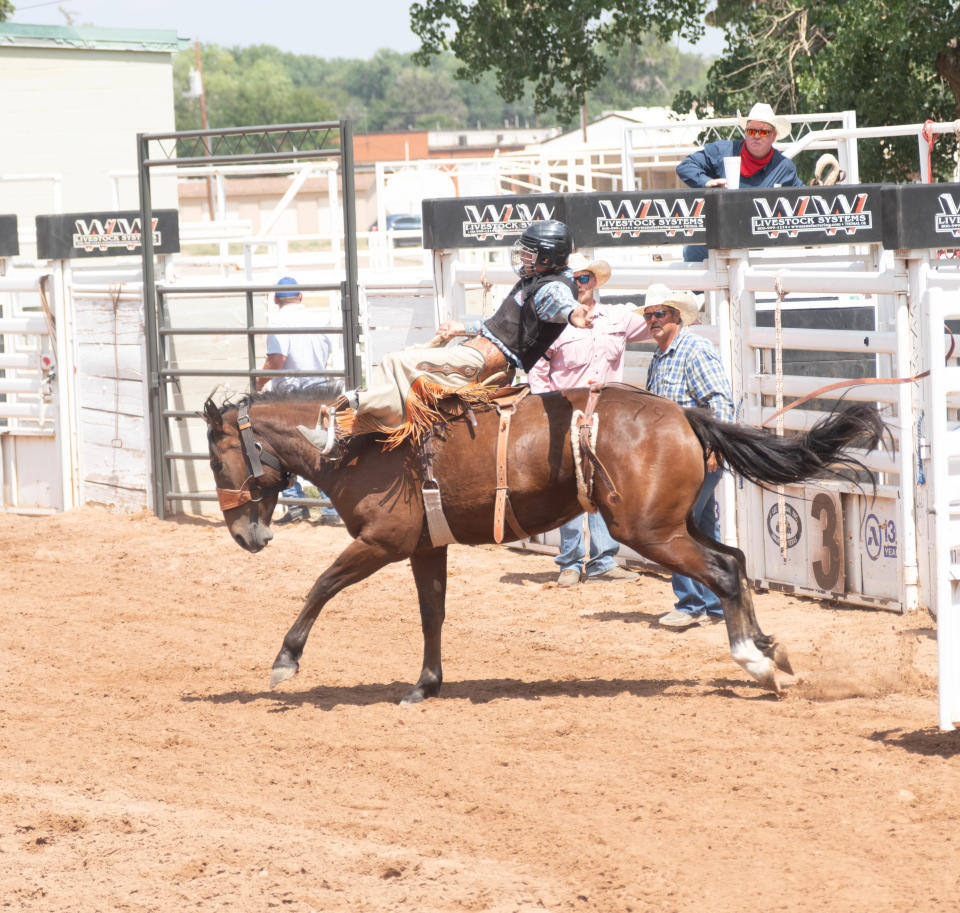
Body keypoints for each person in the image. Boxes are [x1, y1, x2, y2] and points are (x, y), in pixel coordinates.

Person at [298, 220, 595, 457]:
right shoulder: (537, 281)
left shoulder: (552, 289)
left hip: (483, 362)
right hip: (475, 351)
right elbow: (501, 324)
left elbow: (561, 306)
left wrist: (574, 315)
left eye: (529, 252)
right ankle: (363, 425)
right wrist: (460, 328)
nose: (523, 257)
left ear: (545, 256)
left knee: (401, 363)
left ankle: (347, 420)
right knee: (395, 360)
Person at [527, 253, 650, 586]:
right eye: (572, 279)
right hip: (566, 412)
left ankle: (601, 559)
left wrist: (678, 309)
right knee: (570, 483)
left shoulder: (616, 318)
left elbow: (655, 321)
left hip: (608, 417)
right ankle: (570, 560)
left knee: (604, 483)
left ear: (593, 281)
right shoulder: (554, 324)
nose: (578, 284)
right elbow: (537, 368)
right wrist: (548, 407)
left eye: (583, 278)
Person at [642, 284, 734, 628]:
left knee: (676, 525)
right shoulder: (663, 354)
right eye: (649, 315)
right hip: (678, 458)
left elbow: (720, 399)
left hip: (695, 455)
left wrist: (714, 446)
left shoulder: (693, 348)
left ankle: (692, 603)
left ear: (677, 316)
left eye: (660, 314)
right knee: (703, 528)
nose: (653, 320)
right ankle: (715, 603)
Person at [676, 102, 805, 263]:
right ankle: (702, 289)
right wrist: (707, 182)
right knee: (693, 251)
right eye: (751, 130)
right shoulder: (723, 150)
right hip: (719, 232)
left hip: (758, 241)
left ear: (774, 135)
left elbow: (805, 197)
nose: (756, 136)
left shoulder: (784, 167)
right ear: (745, 133)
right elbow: (685, 166)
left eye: (763, 132)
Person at [257, 276, 339, 525]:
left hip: (291, 396)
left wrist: (258, 383)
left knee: (281, 449)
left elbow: (277, 360)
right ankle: (329, 508)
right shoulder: (319, 318)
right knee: (319, 450)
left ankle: (296, 504)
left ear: (275, 299)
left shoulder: (279, 321)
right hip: (319, 391)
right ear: (301, 296)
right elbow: (326, 354)